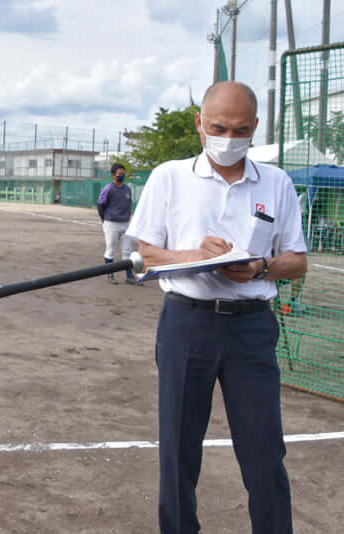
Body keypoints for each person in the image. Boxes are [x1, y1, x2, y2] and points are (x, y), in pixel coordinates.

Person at [126, 81, 307, 534]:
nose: (229, 139)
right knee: (179, 450)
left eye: (241, 130)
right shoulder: (170, 177)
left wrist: (261, 266)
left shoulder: (277, 182)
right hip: (188, 324)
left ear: (256, 128)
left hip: (251, 330)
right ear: (199, 125)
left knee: (265, 453)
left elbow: (297, 261)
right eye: (218, 127)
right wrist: (196, 257)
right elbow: (146, 255)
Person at [97, 163, 135, 284]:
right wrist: (105, 219)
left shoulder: (127, 189)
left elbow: (129, 204)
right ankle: (110, 274)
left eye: (123, 173)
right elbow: (100, 205)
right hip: (111, 223)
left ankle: (129, 276)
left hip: (125, 223)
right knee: (111, 249)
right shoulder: (108, 189)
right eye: (120, 174)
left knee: (127, 250)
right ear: (113, 175)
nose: (122, 175)